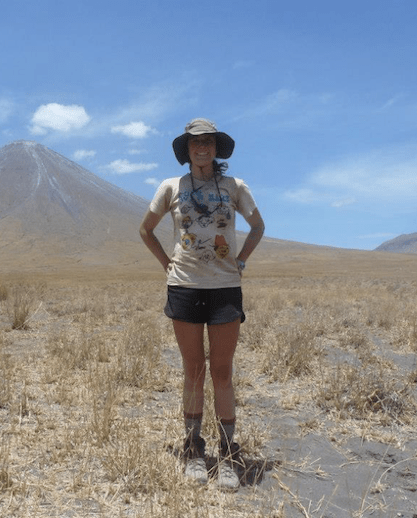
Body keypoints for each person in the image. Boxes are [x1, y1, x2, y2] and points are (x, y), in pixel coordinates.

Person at [139, 118, 265, 490]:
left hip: (225, 287)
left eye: (208, 141)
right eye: (195, 142)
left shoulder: (234, 186)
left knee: (222, 371)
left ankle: (228, 454)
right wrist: (167, 264)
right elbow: (145, 229)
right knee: (193, 369)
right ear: (187, 149)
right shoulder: (171, 187)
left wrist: (240, 261)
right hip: (185, 287)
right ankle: (194, 449)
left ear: (216, 147)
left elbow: (258, 227)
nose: (202, 147)